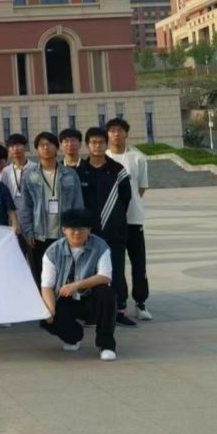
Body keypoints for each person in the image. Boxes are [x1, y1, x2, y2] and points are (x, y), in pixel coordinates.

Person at [75, 127, 135, 328]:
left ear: (106, 144)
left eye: (101, 142)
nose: (97, 146)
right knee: (89, 273)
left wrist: (113, 217)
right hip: (88, 234)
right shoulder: (80, 172)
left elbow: (126, 198)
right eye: (93, 142)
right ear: (87, 145)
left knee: (116, 272)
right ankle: (91, 312)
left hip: (115, 232)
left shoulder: (118, 170)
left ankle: (119, 310)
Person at [39, 208, 117, 361]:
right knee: (46, 317)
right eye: (72, 229)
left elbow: (105, 276)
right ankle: (73, 337)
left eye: (82, 229)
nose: (76, 233)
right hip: (65, 299)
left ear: (89, 229)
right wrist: (51, 310)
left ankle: (106, 345)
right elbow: (47, 286)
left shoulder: (101, 246)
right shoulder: (52, 252)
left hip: (91, 298)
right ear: (64, 230)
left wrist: (76, 285)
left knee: (107, 294)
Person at [17, 132, 85, 285]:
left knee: (64, 275)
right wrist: (28, 232)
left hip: (64, 234)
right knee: (40, 275)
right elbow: (25, 206)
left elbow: (78, 205)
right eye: (41, 145)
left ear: (56, 148)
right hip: (38, 235)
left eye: (49, 144)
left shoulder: (70, 174)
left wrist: (76, 230)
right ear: (37, 149)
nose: (46, 148)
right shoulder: (29, 175)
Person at [105, 118, 152, 321]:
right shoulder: (103, 158)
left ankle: (140, 302)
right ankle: (120, 303)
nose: (116, 134)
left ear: (126, 134)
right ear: (108, 134)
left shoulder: (137, 158)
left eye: (120, 130)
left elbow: (141, 188)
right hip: (111, 222)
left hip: (133, 219)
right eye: (112, 130)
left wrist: (130, 206)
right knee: (116, 265)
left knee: (138, 263)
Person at [0, 133, 30, 208]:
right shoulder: (6, 171)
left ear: (25, 147)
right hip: (12, 209)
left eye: (18, 145)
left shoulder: (35, 168)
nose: (15, 149)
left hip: (32, 209)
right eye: (12, 146)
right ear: (8, 150)